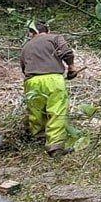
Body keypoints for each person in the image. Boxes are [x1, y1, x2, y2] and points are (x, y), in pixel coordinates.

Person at [20, 21, 81, 156]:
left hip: (32, 81)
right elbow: (67, 53)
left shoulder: (26, 46)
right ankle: (55, 146)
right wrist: (71, 68)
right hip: (54, 80)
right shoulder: (54, 37)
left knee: (36, 112)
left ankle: (38, 139)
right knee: (57, 111)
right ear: (47, 30)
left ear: (32, 33)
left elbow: (23, 68)